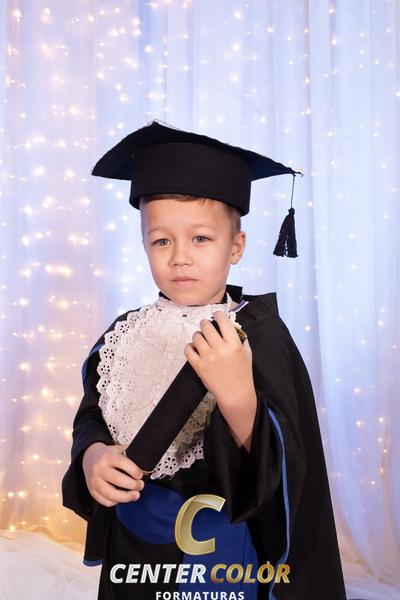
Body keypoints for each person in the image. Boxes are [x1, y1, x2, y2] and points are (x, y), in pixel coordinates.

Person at [62, 120, 347, 599]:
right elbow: (92, 416)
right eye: (161, 240)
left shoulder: (257, 333)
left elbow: (282, 469)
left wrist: (237, 396)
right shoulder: (125, 333)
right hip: (132, 545)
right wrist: (92, 457)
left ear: (236, 247)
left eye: (200, 239)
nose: (180, 258)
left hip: (215, 551)